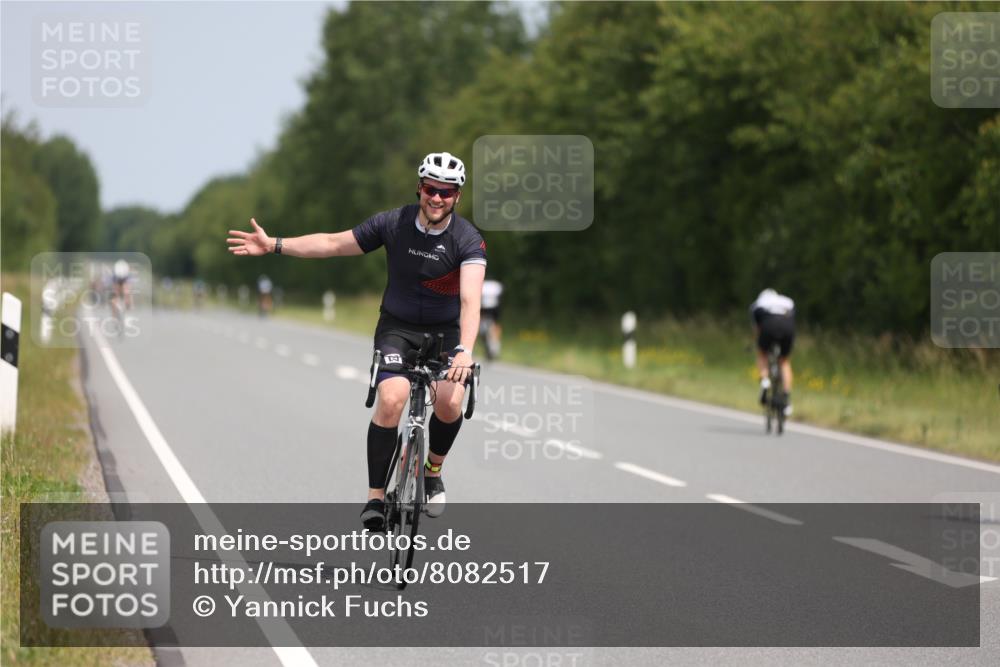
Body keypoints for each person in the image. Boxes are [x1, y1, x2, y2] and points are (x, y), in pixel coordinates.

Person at [227, 152, 485, 530]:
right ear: (419, 187)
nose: (437, 198)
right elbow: (332, 243)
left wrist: (465, 349)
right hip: (397, 328)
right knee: (393, 397)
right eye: (431, 189)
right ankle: (376, 498)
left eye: (446, 192)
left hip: (446, 334)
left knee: (449, 401)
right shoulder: (393, 223)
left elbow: (470, 300)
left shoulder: (467, 239)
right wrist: (275, 244)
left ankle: (432, 471)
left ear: (457, 197)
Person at [750, 288, 795, 416]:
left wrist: (760, 344)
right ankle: (786, 396)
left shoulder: (757, 304)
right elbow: (792, 319)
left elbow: (757, 329)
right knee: (784, 361)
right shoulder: (787, 301)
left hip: (768, 324)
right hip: (787, 326)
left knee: (762, 353)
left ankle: (765, 380)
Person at [479, 277, 503, 359]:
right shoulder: (496, 285)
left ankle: (493, 347)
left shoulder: (482, 284)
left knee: (487, 329)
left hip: (486, 309)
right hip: (493, 310)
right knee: (493, 327)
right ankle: (494, 347)